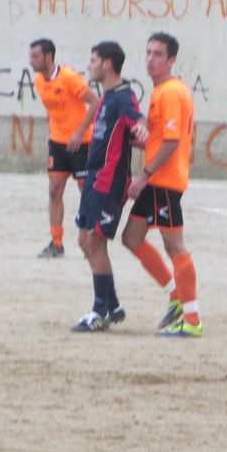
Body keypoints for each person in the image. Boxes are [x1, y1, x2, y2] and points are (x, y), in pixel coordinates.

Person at [121, 32, 201, 338]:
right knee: (131, 237)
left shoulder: (170, 92)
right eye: (148, 52)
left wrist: (144, 176)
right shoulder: (161, 91)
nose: (150, 59)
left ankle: (191, 319)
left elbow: (172, 141)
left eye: (158, 54)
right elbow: (161, 139)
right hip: (157, 179)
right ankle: (175, 295)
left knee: (175, 246)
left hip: (163, 181)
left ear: (171, 60)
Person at [72, 41, 147, 333]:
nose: (88, 66)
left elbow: (137, 119)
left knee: (95, 242)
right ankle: (112, 304)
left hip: (109, 180)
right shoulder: (107, 96)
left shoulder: (124, 97)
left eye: (92, 60)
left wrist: (141, 127)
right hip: (94, 177)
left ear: (106, 64)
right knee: (83, 241)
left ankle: (100, 311)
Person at [29, 38, 100, 259]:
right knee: (54, 190)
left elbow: (95, 102)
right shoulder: (39, 81)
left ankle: (91, 239)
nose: (31, 60)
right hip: (58, 143)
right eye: (31, 56)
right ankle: (56, 243)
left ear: (48, 56)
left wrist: (80, 132)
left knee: (86, 192)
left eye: (35, 56)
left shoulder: (69, 77)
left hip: (82, 143)